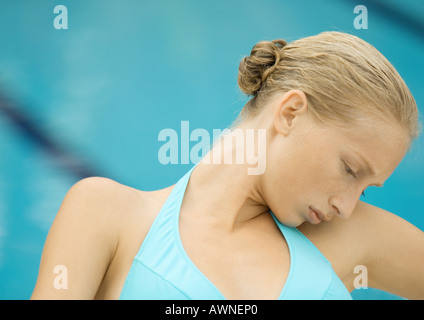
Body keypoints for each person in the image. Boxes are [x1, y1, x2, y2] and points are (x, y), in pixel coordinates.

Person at [31, 31, 423, 300]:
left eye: (366, 189)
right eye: (351, 170)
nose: (348, 206)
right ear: (289, 113)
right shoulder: (108, 213)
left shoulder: (355, 235)